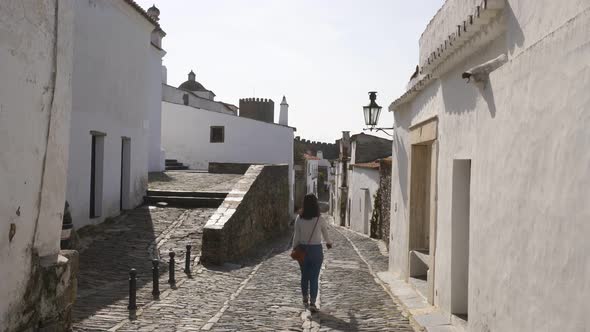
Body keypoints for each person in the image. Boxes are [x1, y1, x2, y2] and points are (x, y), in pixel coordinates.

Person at [292, 194, 333, 312]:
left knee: (304, 275)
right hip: (316, 251)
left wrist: (294, 248)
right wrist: (329, 243)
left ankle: (305, 298)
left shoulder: (299, 218)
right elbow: (325, 233)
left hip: (302, 250)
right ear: (316, 204)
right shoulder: (320, 218)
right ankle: (313, 303)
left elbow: (296, 236)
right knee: (314, 277)